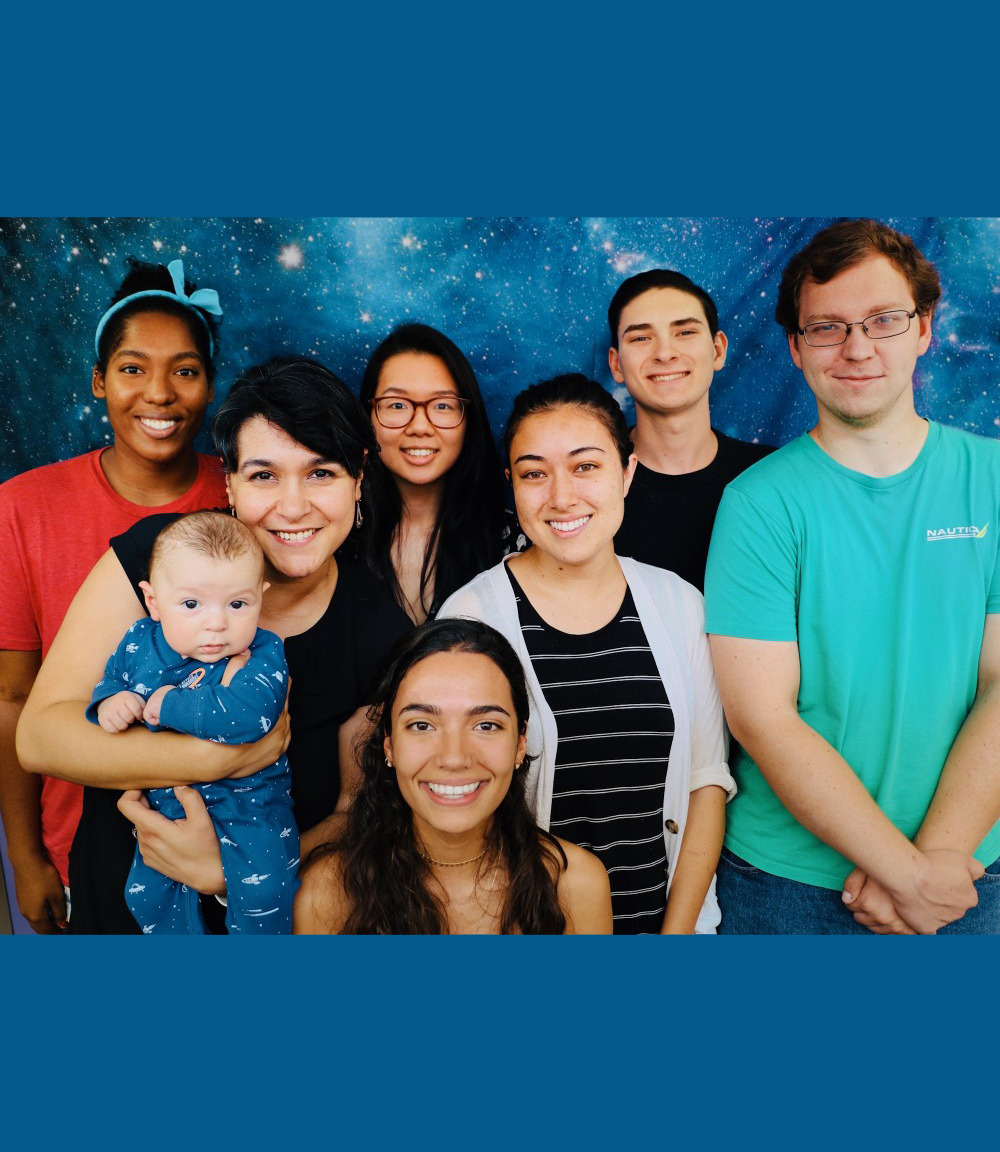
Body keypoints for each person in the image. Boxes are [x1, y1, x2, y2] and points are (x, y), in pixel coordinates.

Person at [17, 356, 412, 933]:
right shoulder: (157, 554)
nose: (294, 506)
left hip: (265, 920)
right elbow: (40, 737)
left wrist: (222, 872)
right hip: (115, 915)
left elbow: (356, 814)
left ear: (360, 478)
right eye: (263, 475)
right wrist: (220, 756)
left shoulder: (379, 632)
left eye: (321, 473)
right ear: (229, 482)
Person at [705, 218, 1000, 935]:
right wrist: (903, 875)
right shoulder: (757, 503)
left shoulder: (991, 479)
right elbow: (762, 717)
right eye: (828, 328)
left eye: (884, 320)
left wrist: (933, 864)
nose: (858, 347)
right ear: (796, 350)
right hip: (789, 885)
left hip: (968, 873)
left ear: (925, 329)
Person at [438, 374, 734, 934]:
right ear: (512, 485)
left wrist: (675, 936)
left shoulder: (680, 605)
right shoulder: (471, 619)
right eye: (534, 474)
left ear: (627, 471)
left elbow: (706, 781)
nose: (561, 496)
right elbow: (457, 812)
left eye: (585, 466)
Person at [0, 257, 228, 934]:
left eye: (185, 370)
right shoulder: (24, 508)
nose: (159, 393)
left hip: (220, 848)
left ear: (210, 386)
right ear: (100, 380)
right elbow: (13, 698)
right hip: (80, 855)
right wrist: (25, 853)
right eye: (132, 368)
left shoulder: (247, 494)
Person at [295, 617, 612, 933]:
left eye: (486, 725)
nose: (454, 758)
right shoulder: (324, 893)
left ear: (519, 743)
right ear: (389, 745)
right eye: (422, 725)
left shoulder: (577, 885)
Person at [88, 512, 297, 934]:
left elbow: (248, 717)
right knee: (144, 895)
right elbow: (112, 679)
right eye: (191, 605)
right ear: (154, 602)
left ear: (261, 595)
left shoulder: (263, 651)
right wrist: (112, 701)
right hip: (164, 808)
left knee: (265, 893)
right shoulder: (137, 641)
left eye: (238, 604)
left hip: (249, 809)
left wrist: (168, 704)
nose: (216, 623)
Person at [607, 269, 774, 591]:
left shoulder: (772, 476)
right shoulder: (588, 487)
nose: (665, 353)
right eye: (641, 337)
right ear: (616, 364)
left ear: (718, 350)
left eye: (684, 332)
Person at [355, 323, 511, 623]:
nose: (420, 427)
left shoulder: (509, 541)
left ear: (469, 419)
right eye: (397, 404)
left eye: (442, 405)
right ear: (368, 415)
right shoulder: (335, 536)